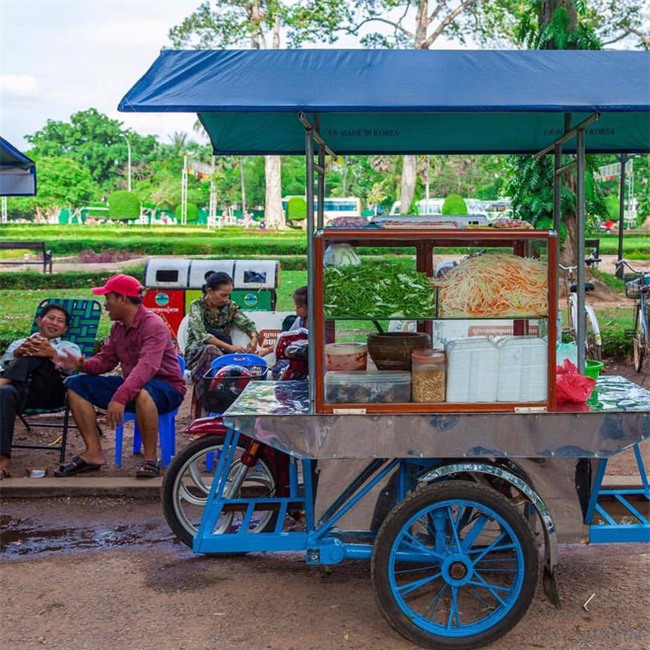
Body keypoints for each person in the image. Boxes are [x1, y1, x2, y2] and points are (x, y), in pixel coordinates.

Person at [54, 274, 185, 479]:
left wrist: (120, 397)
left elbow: (146, 367)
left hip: (166, 388)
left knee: (142, 392)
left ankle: (150, 460)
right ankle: (93, 454)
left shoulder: (153, 325)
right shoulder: (118, 328)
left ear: (122, 299)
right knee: (75, 384)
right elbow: (106, 361)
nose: (105, 305)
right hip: (133, 385)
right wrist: (81, 365)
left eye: (108, 298)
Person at [0, 304, 81, 479]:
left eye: (60, 321)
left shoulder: (69, 346)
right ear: (39, 321)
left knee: (39, 350)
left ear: (65, 328)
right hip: (19, 393)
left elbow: (72, 368)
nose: (55, 323)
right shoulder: (19, 343)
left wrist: (50, 352)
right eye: (51, 318)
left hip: (49, 393)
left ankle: (2, 383)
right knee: (5, 393)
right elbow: (3, 365)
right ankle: (2, 461)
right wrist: (18, 353)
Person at [184, 271, 259, 410]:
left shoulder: (229, 307)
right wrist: (230, 348)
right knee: (211, 350)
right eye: (223, 295)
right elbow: (202, 336)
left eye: (228, 295)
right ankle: (210, 400)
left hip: (222, 354)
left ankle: (227, 399)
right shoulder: (197, 306)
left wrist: (254, 338)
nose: (226, 299)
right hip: (197, 353)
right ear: (210, 291)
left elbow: (247, 324)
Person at [259, 286, 309, 380]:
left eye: (299, 307)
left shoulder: (319, 322)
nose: (296, 309)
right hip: (295, 356)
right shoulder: (300, 320)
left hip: (308, 358)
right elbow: (287, 339)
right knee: (278, 370)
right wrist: (265, 351)